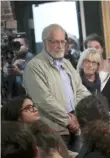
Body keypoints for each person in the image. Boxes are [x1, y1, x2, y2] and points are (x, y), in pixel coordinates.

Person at [23, 24, 90, 152]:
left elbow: (80, 89)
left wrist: (90, 108)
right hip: (52, 131)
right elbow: (43, 100)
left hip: (75, 126)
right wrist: (68, 120)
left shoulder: (66, 63)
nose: (60, 46)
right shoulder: (34, 66)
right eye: (55, 42)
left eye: (63, 42)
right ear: (45, 43)